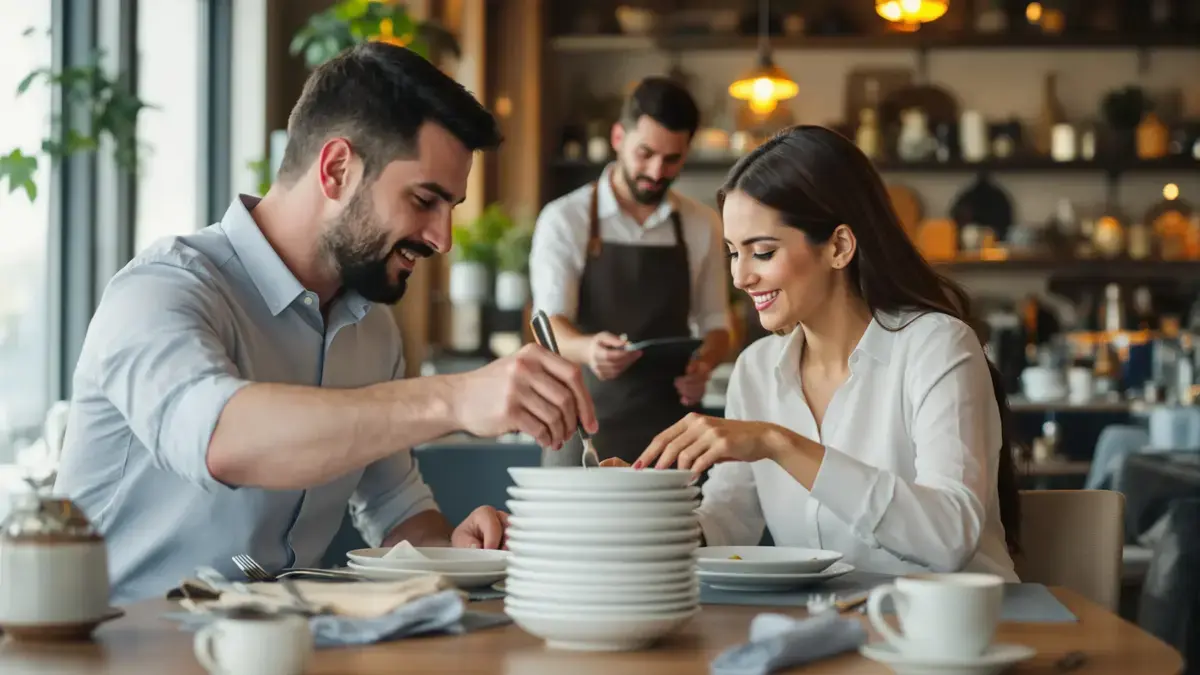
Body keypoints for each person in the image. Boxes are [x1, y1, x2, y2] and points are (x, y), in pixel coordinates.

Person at [52, 43, 597, 605]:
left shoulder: (373, 328)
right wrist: (453, 399)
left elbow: (397, 510)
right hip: (120, 637)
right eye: (424, 200)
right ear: (337, 170)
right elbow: (221, 438)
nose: (442, 239)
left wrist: (455, 550)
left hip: (277, 637)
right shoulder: (162, 289)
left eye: (450, 208)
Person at [618, 125, 1022, 581]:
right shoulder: (756, 370)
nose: (740, 277)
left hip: (961, 619)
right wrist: (637, 510)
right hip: (831, 620)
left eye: (762, 252)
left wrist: (780, 444)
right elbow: (727, 523)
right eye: (733, 253)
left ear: (839, 246)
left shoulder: (937, 346)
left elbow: (949, 537)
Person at [528, 77, 731, 465]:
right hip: (582, 430)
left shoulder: (702, 224)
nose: (656, 171)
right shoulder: (565, 219)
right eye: (645, 153)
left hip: (673, 438)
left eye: (672, 159)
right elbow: (548, 325)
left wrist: (704, 363)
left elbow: (718, 325)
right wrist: (589, 349)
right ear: (618, 137)